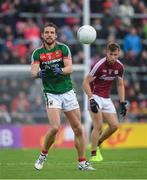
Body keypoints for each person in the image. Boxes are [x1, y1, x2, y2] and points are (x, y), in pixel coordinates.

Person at [31, 22, 94, 170]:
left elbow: (70, 67)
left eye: (52, 32)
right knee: (55, 128)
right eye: (46, 32)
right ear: (42, 35)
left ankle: (82, 162)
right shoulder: (37, 53)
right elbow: (33, 72)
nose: (49, 35)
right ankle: (43, 156)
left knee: (78, 128)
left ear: (56, 35)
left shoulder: (63, 48)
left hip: (67, 92)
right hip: (51, 93)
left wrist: (60, 70)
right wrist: (40, 73)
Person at [82, 42, 127, 162]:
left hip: (106, 98)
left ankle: (98, 142)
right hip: (95, 95)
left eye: (115, 54)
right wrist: (91, 99)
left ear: (118, 54)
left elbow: (120, 84)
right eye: (111, 54)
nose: (113, 57)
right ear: (106, 53)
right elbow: (85, 83)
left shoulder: (120, 67)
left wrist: (122, 102)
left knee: (115, 126)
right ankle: (93, 154)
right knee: (98, 125)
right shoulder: (99, 65)